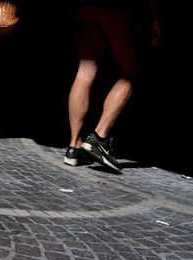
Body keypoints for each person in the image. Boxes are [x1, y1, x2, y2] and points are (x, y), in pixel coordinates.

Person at [63, 0, 161, 170]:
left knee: (85, 70)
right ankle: (99, 137)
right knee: (132, 72)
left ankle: (74, 147)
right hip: (118, 7)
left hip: (89, 7)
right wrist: (155, 16)